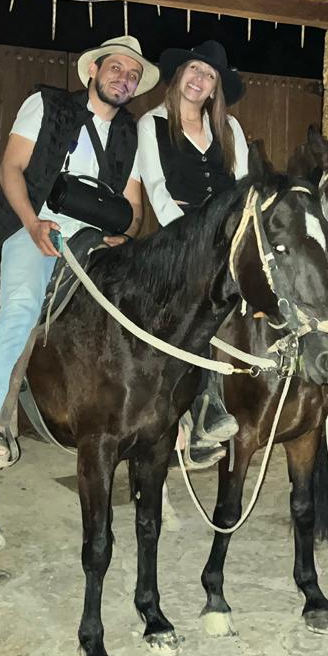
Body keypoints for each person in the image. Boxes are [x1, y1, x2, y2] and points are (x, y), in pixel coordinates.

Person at [0, 35, 154, 468]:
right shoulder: (46, 105)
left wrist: (125, 236)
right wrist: (31, 223)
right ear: (93, 70)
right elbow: (11, 168)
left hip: (97, 238)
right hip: (37, 225)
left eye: (132, 75)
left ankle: (163, 416)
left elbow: (133, 207)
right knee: (22, 306)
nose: (124, 78)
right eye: (116, 68)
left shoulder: (131, 133)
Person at [134, 39, 248, 467]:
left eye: (209, 75)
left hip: (230, 235)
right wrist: (191, 238)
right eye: (195, 70)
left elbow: (244, 186)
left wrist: (237, 236)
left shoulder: (230, 129)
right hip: (179, 237)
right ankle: (202, 405)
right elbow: (156, 186)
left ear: (216, 88)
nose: (200, 79)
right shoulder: (152, 123)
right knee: (196, 305)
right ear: (180, 75)